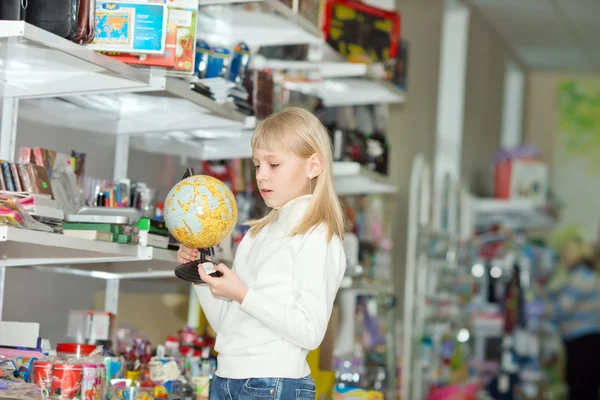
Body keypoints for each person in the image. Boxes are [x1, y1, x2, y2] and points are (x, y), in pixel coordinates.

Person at [177, 107, 347, 400]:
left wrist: (242, 293)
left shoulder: (318, 235)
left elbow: (310, 331)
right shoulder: (257, 234)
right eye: (257, 166)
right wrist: (201, 276)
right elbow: (227, 327)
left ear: (314, 165)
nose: (262, 176)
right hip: (226, 379)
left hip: (274, 384)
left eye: (274, 164)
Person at [543, 236, 600, 400]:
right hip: (590, 340)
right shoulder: (586, 275)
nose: (563, 259)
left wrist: (538, 309)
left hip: (583, 341)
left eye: (564, 254)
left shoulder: (579, 278)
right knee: (587, 388)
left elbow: (561, 309)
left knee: (580, 389)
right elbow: (558, 294)